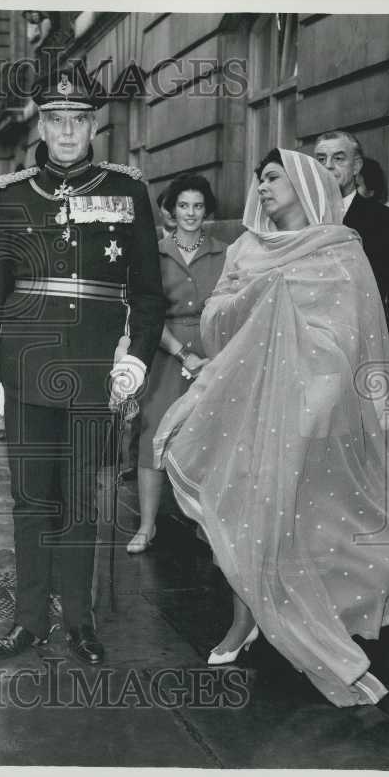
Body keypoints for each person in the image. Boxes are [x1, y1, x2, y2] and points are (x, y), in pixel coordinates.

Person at [154, 149, 389, 707]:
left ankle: (305, 611)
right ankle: (244, 619)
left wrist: (314, 401)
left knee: (302, 520)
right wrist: (253, 298)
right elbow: (213, 319)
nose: (264, 183)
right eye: (261, 177)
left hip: (312, 407)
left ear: (304, 183)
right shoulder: (244, 248)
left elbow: (351, 334)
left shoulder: (338, 248)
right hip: (244, 402)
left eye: (274, 175)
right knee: (239, 511)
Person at [0, 68, 165, 665]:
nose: (65, 131)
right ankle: (29, 621)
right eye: (55, 120)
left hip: (92, 374)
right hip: (27, 371)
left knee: (82, 503)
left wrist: (135, 358)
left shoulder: (127, 190)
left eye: (77, 120)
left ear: (92, 126)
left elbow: (150, 292)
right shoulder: (11, 193)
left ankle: (80, 622)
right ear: (42, 124)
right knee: (32, 502)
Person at [126, 175, 227, 554]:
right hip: (165, 352)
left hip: (214, 353)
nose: (190, 213)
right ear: (171, 210)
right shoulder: (154, 252)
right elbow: (146, 312)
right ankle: (148, 526)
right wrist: (184, 354)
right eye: (183, 205)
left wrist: (215, 356)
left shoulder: (225, 253)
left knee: (213, 438)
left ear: (207, 210)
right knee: (154, 437)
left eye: (198, 206)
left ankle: (210, 525)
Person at [314, 131, 389, 392]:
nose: (328, 166)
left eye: (338, 158)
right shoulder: (302, 220)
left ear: (356, 165)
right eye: (321, 159)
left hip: (365, 347)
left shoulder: (386, 221)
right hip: (310, 350)